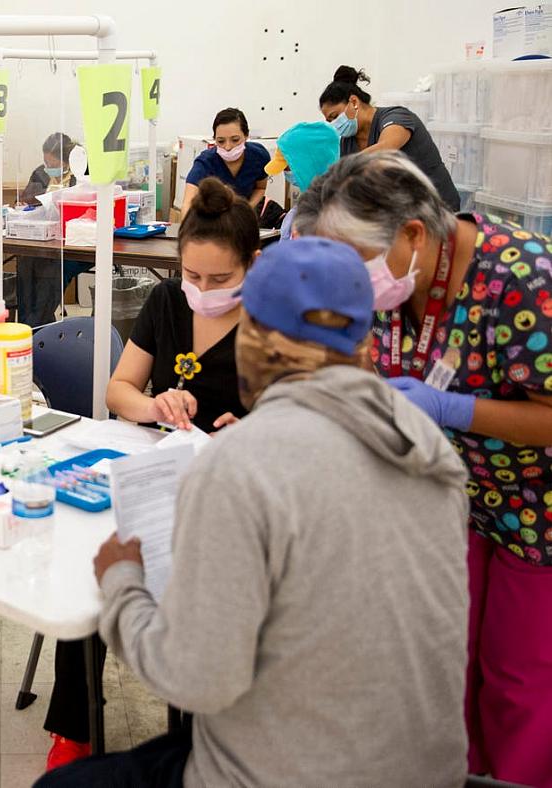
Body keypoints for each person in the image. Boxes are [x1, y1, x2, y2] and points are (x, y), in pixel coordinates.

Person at [40, 237, 471, 788]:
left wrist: (122, 582)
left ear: (252, 339)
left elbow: (195, 679)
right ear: (366, 339)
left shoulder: (240, 467)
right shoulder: (430, 452)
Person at [293, 151, 552, 787]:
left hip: (538, 510)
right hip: (446, 496)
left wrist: (453, 406)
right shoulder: (394, 282)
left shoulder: (521, 276)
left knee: (520, 683)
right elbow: (358, 364)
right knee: (441, 661)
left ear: (413, 233)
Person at [41, 177, 258, 771]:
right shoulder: (166, 303)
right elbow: (119, 390)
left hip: (232, 490)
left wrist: (252, 431)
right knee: (93, 561)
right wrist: (153, 406)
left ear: (253, 266)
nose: (203, 291)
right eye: (193, 276)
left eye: (221, 281)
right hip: (156, 470)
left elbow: (294, 418)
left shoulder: (271, 323)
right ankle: (74, 727)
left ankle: (201, 731)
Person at [319, 65, 461, 212]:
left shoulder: (396, 117)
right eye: (330, 121)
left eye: (335, 117)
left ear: (354, 102)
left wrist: (338, 170)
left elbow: (385, 150)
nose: (335, 125)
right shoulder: (347, 142)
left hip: (439, 208)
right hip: (404, 213)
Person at [16, 132, 90, 328]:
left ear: (67, 162)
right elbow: (26, 200)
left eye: (53, 164)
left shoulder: (85, 173)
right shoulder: (41, 173)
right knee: (25, 261)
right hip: (45, 241)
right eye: (45, 162)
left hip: (77, 245)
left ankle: (36, 326)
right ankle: (27, 322)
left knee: (54, 267)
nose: (48, 168)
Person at [180, 108, 270, 213]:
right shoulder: (205, 163)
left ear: (246, 136)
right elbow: (187, 203)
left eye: (235, 140)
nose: (227, 147)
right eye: (221, 141)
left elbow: (260, 188)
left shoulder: (258, 156)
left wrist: (247, 209)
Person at [262, 121, 340, 240]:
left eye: (288, 167)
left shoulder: (333, 214)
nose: (286, 173)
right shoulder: (303, 208)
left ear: (307, 166)